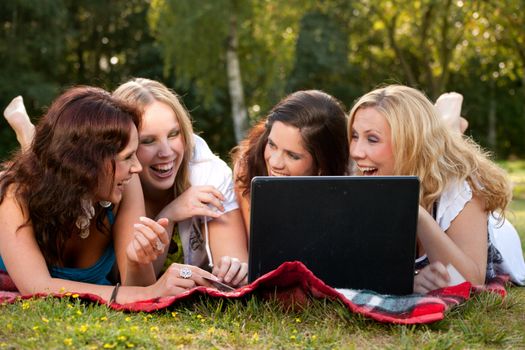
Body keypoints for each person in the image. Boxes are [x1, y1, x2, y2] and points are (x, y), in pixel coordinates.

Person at [0, 86, 217, 303]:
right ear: (88, 163)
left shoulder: (126, 184)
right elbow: (36, 286)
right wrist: (151, 291)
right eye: (127, 157)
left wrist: (137, 261)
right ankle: (27, 136)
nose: (137, 168)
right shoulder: (13, 195)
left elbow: (137, 289)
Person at [348, 84, 525, 294]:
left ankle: (449, 128)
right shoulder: (368, 177)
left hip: (495, 234)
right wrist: (411, 282)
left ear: (410, 143)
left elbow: (471, 281)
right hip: (423, 163)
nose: (356, 152)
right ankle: (448, 127)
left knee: (451, 163)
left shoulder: (460, 188)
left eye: (372, 139)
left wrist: (418, 213)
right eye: (354, 136)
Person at [112, 78, 248, 287]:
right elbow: (136, 288)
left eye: (174, 134)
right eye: (148, 141)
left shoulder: (209, 172)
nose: (166, 152)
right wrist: (169, 215)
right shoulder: (114, 182)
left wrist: (234, 268)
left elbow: (228, 280)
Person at [232, 90, 350, 238]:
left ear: (322, 165)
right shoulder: (249, 168)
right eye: (272, 145)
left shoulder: (346, 193)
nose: (275, 162)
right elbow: (257, 248)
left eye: (292, 155)